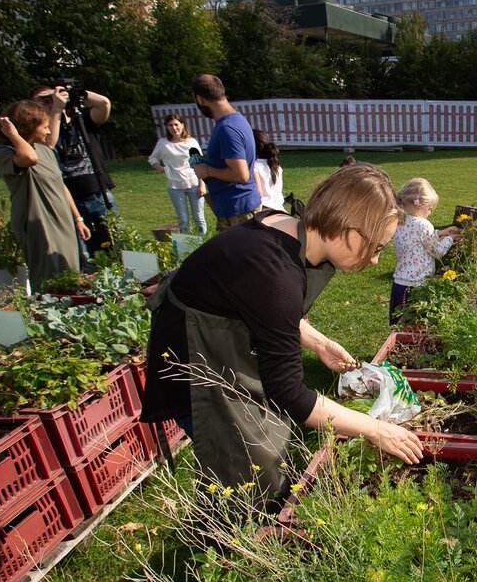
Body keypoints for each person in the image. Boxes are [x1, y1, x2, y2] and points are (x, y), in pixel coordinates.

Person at [142, 163, 424, 499]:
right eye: (377, 247)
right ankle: (228, 536)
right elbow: (289, 394)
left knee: (262, 445)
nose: (376, 261)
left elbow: (248, 299)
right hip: (194, 365)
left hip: (221, 338)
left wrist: (314, 339)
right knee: (241, 468)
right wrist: (375, 429)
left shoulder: (285, 226)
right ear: (351, 233)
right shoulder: (276, 274)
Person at [0, 100, 92, 291]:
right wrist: (13, 134)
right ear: (28, 127)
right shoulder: (4, 152)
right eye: (44, 127)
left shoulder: (46, 151)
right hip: (38, 220)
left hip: (62, 218)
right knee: (48, 272)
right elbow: (29, 159)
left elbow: (60, 185)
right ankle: (48, 311)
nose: (48, 132)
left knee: (70, 270)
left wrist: (77, 218)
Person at [29, 82, 116, 263]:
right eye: (44, 101)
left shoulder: (82, 121)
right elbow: (48, 145)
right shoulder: (40, 132)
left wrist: (75, 93)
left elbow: (104, 104)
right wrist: (55, 111)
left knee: (115, 247)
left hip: (97, 193)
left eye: (51, 98)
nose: (50, 103)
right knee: (82, 255)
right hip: (67, 200)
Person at [189, 74, 261, 230]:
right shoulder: (235, 120)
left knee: (240, 254)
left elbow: (240, 175)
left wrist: (206, 170)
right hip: (237, 207)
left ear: (200, 99)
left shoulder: (227, 128)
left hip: (238, 210)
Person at [390, 178, 460, 324]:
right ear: (418, 205)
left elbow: (418, 242)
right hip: (416, 285)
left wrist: (440, 234)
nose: (429, 213)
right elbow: (437, 251)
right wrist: (451, 238)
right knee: (415, 327)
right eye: (429, 208)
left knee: (398, 326)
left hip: (399, 284)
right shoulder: (423, 224)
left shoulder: (400, 221)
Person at [149, 114, 207, 235]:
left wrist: (202, 185)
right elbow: (152, 159)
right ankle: (186, 245)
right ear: (167, 127)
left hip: (194, 183)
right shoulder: (163, 143)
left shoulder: (191, 142)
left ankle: (202, 242)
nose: (174, 128)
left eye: (176, 124)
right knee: (183, 219)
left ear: (182, 125)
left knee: (199, 217)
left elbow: (200, 163)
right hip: (175, 186)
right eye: (170, 125)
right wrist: (163, 169)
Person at [253, 129, 285, 212]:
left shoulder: (254, 166)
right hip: (280, 209)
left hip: (265, 211)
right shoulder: (275, 165)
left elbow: (259, 194)